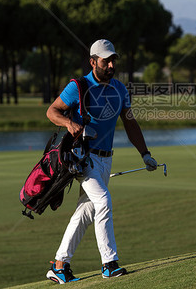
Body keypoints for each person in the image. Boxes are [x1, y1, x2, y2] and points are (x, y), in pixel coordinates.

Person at [45, 39, 158, 284]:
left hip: (106, 160)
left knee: (86, 211)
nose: (110, 65)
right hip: (82, 157)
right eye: (105, 60)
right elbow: (52, 111)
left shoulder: (119, 89)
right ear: (93, 61)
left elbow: (130, 123)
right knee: (103, 201)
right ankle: (109, 263)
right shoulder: (79, 86)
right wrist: (68, 123)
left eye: (112, 60)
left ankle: (59, 265)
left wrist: (145, 153)